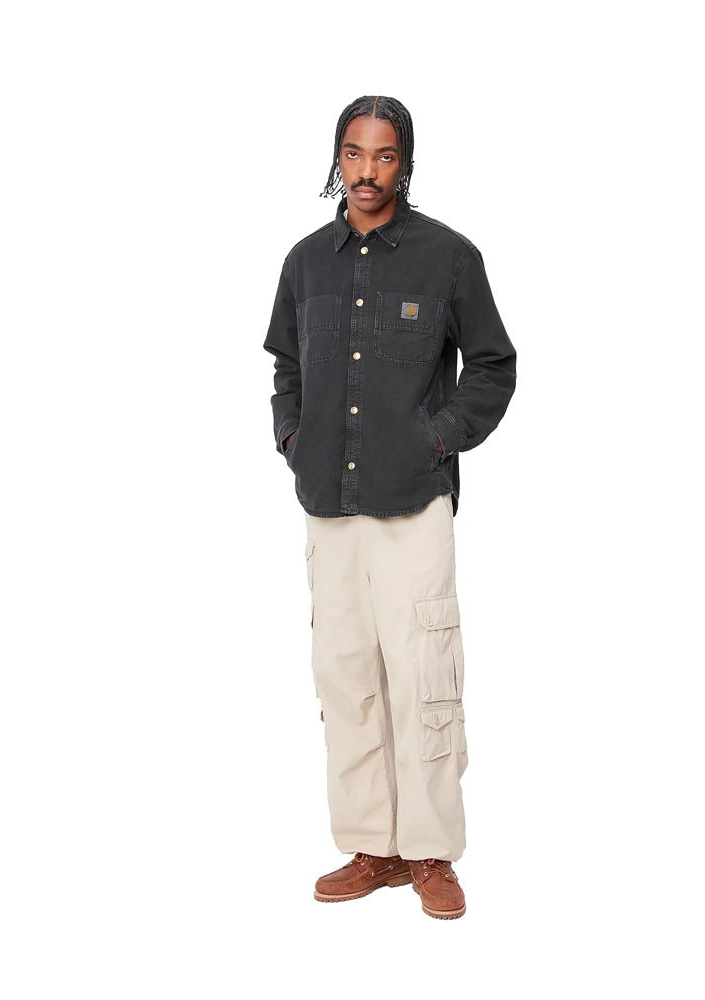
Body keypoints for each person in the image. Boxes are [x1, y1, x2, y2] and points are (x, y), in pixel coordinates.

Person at [263, 95, 516, 920]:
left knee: (423, 673)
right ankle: (373, 846)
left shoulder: (449, 257)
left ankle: (430, 851)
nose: (366, 172)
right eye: (353, 153)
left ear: (406, 162)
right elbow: (286, 366)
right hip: (328, 506)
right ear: (336, 158)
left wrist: (438, 439)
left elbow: (493, 365)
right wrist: (293, 436)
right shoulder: (306, 262)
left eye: (383, 155)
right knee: (346, 676)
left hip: (413, 505)